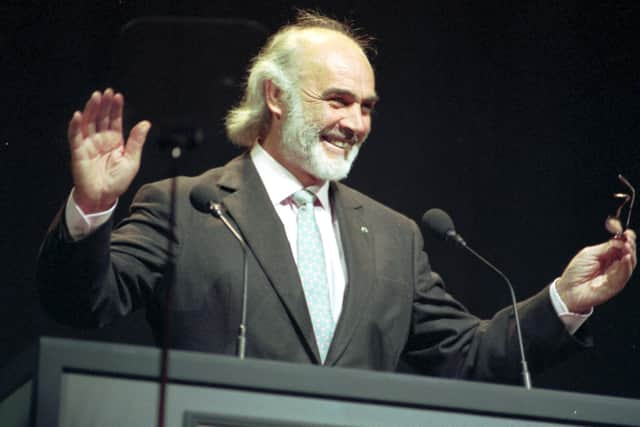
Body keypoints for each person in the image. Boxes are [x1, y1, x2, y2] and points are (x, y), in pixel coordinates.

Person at [37, 11, 636, 384]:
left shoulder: (394, 237)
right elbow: (82, 303)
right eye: (339, 100)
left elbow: (469, 354)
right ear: (276, 96)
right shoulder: (186, 206)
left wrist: (565, 299)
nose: (356, 122)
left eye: (367, 107)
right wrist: (90, 210)